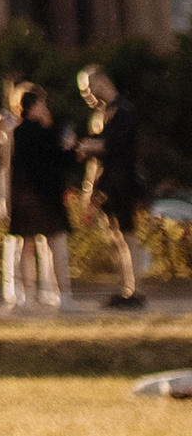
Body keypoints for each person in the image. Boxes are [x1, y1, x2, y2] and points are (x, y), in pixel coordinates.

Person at [0, 78, 73, 310]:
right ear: (35, 105)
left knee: (26, 244)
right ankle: (62, 295)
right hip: (45, 196)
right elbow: (59, 160)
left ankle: (28, 295)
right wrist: (68, 147)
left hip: (23, 195)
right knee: (52, 244)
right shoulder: (36, 130)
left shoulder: (15, 132)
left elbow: (11, 167)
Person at [76, 64, 146, 310]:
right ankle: (126, 288)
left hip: (123, 183)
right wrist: (89, 188)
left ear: (102, 82)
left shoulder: (123, 111)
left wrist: (84, 145)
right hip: (106, 185)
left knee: (127, 236)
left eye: (88, 87)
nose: (86, 94)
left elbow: (112, 145)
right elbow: (98, 155)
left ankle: (135, 289)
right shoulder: (101, 114)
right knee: (116, 238)